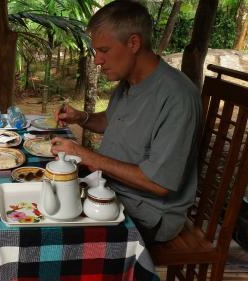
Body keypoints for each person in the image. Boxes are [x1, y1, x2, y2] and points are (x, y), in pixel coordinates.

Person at [52, 0, 202, 243]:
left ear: (133, 43)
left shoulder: (177, 97)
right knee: (45, 192)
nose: (97, 60)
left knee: (55, 236)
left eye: (104, 50)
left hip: (147, 212)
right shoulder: (129, 82)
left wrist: (86, 155)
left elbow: (158, 183)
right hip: (109, 189)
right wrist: (81, 117)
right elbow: (112, 122)